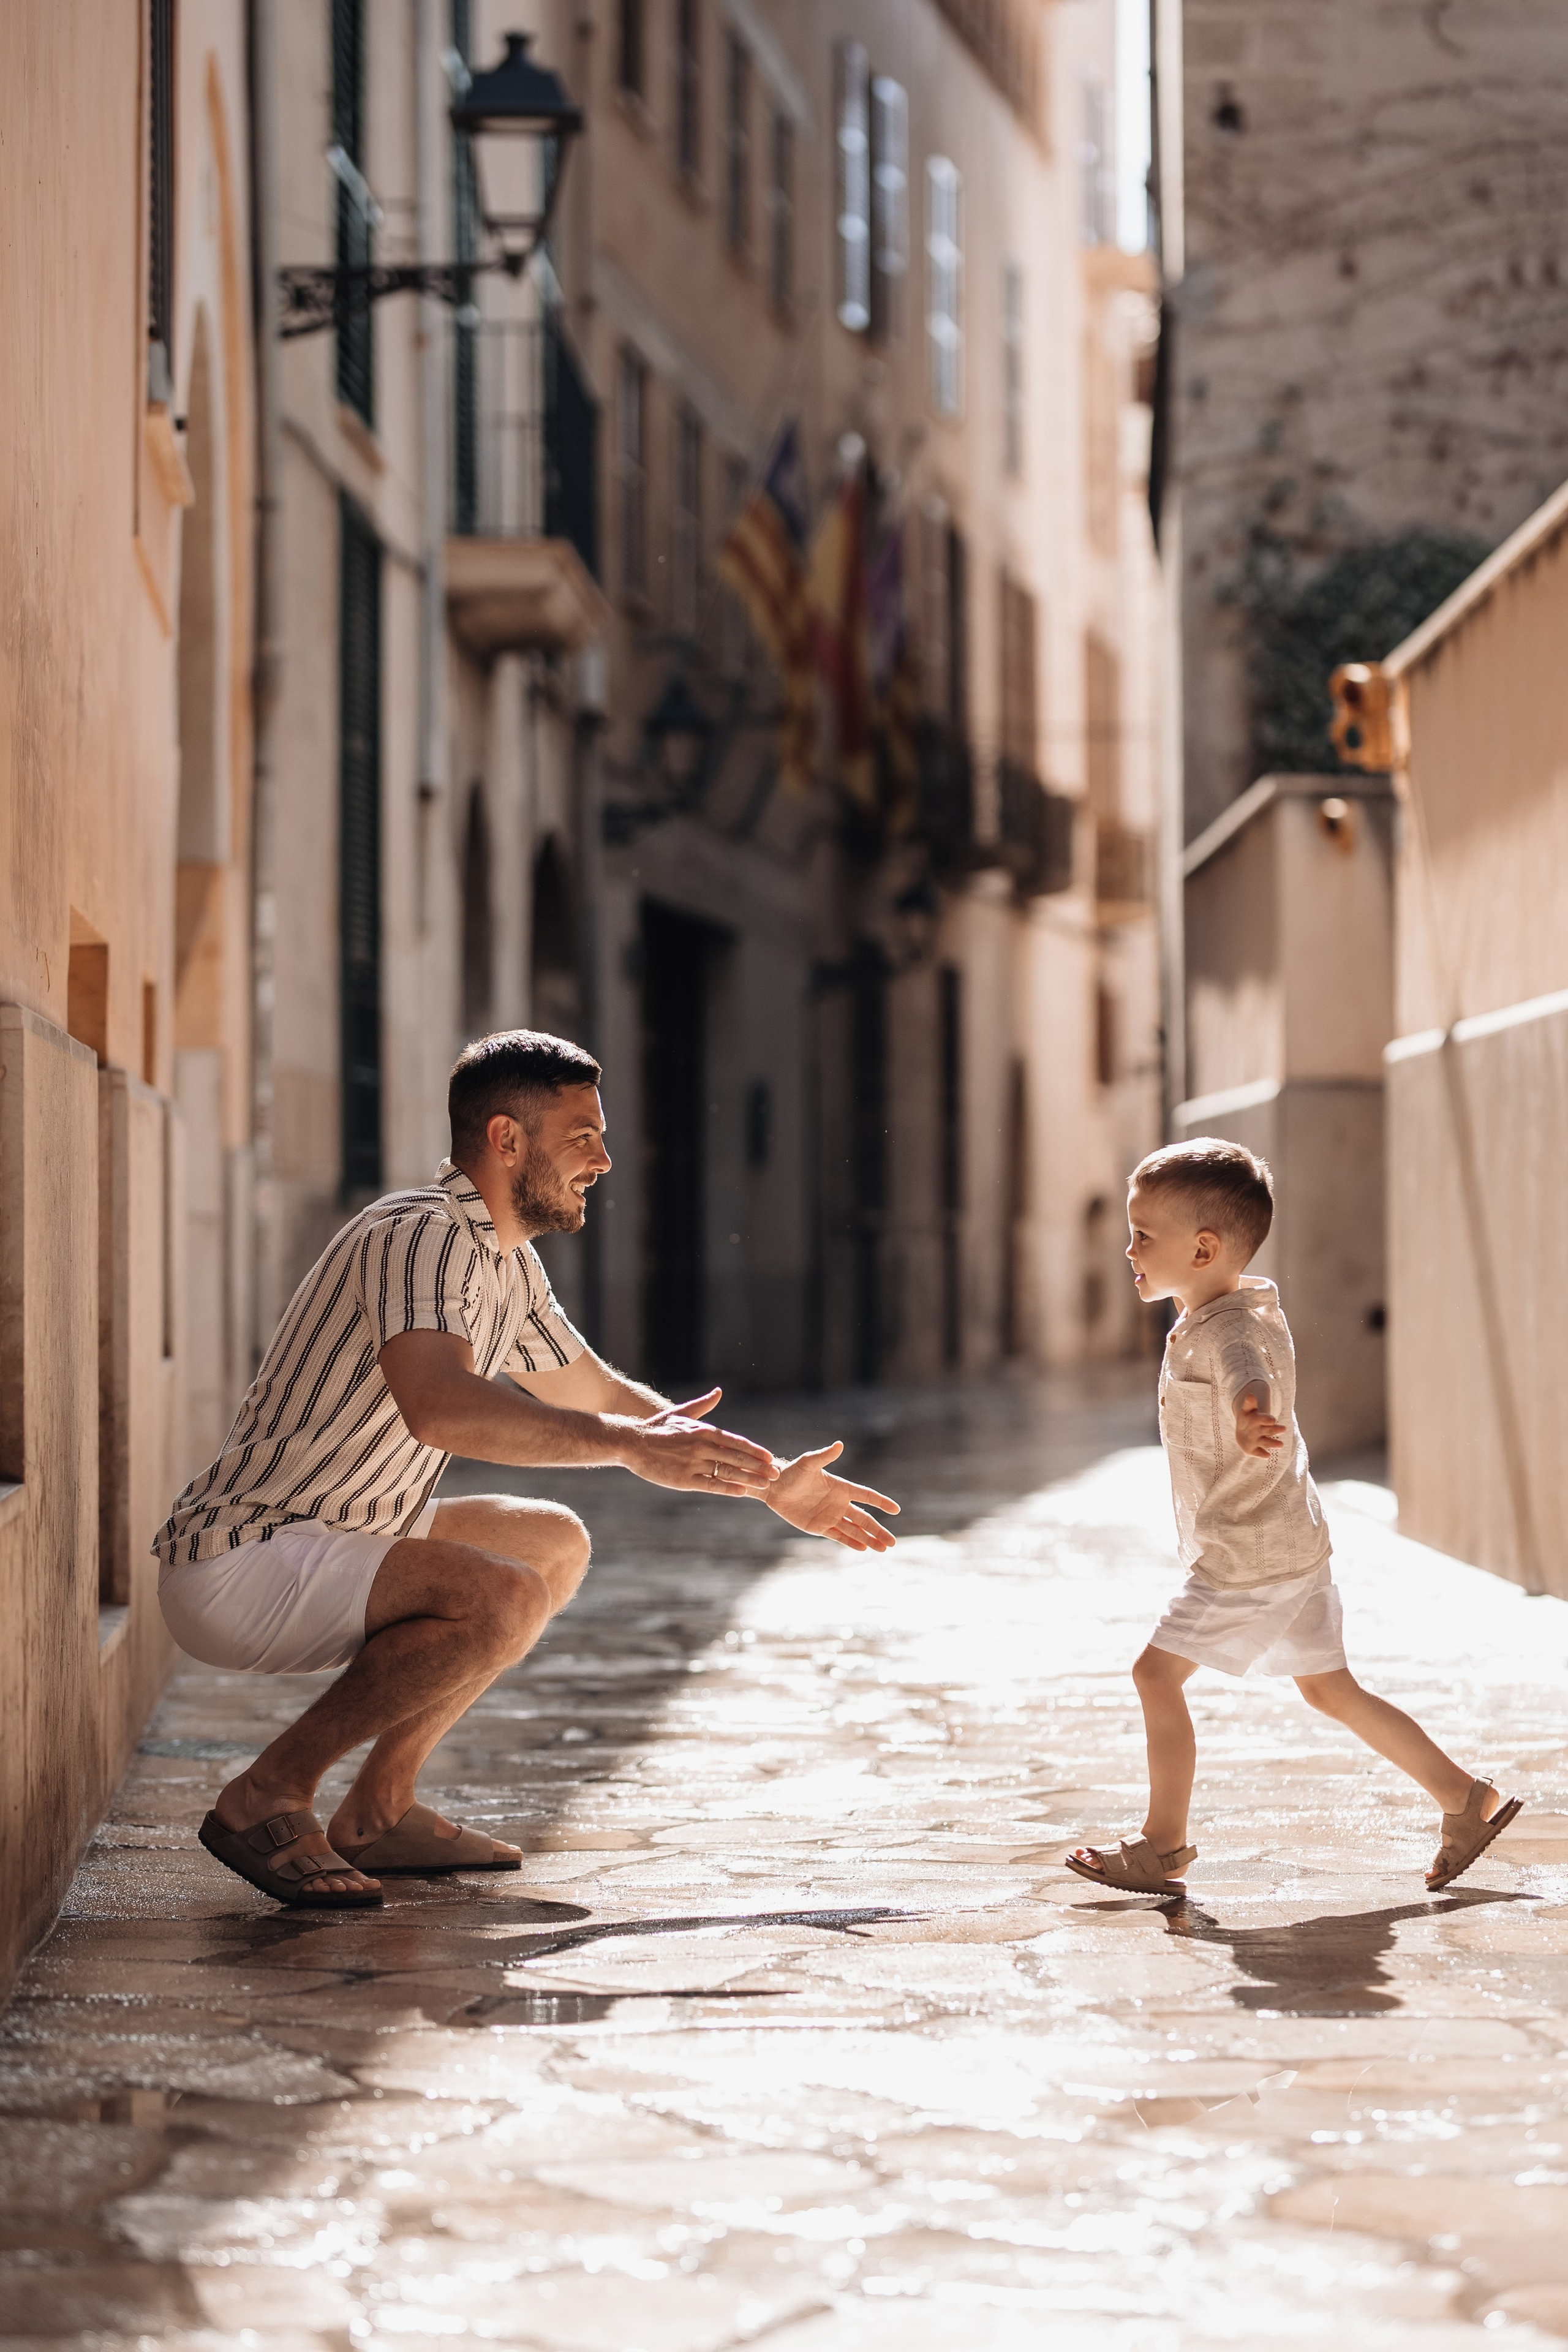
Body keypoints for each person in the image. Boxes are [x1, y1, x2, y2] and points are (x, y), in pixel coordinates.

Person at [154, 1030, 899, 1911]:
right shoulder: (422, 1235)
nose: (606, 1159)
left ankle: (379, 1810)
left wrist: (770, 1479)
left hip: (340, 1536)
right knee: (498, 1596)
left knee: (552, 1544)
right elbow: (441, 1404)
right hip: (245, 1558)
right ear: (507, 1139)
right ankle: (268, 1794)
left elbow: (607, 1398)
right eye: (582, 1135)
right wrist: (627, 1447)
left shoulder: (503, 1262)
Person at [1066, 1137, 1520, 1898]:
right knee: (1330, 1690)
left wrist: (1252, 1417)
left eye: (1143, 1234)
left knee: (1155, 1675)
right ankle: (1465, 1799)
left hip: (1249, 1558)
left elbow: (1250, 1379)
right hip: (1292, 1545)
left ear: (1203, 1248)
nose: (1128, 1248)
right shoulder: (1223, 1311)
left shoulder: (1231, 1330)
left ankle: (1162, 1845)